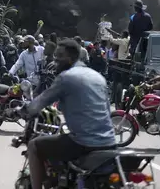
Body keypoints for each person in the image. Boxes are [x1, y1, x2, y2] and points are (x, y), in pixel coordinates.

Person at [26, 39, 116, 189]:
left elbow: (39, 103)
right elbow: (107, 110)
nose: (56, 60)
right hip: (110, 142)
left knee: (34, 145)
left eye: (60, 56)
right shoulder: (98, 77)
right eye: (55, 55)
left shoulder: (66, 78)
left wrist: (22, 110)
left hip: (83, 143)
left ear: (71, 58)